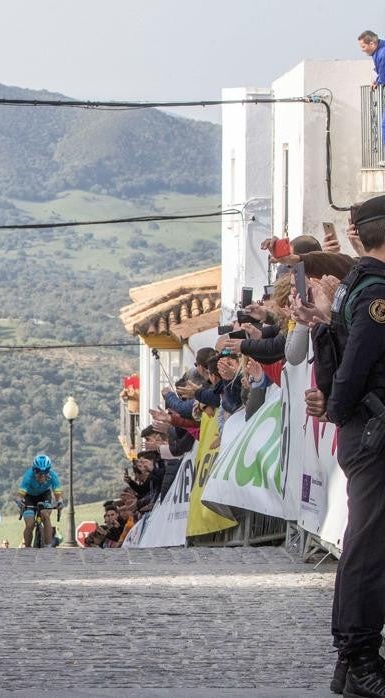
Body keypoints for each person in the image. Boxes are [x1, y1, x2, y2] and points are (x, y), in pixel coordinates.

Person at [303, 194, 385, 696]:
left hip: (364, 429)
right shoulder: (375, 288)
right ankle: (358, 659)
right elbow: (356, 363)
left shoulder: (358, 283)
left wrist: (336, 407)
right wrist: (339, 407)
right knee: (368, 547)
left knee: (367, 542)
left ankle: (351, 660)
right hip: (375, 429)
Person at [16, 454, 63, 548]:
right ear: (34, 470)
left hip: (44, 495)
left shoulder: (53, 476)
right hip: (29, 497)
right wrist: (19, 501)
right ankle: (27, 548)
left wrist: (60, 502)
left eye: (45, 472)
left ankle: (48, 546)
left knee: (45, 515)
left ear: (49, 471)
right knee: (30, 524)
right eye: (38, 472)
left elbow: (58, 494)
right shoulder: (28, 476)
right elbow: (20, 495)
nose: (42, 475)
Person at [362, 31, 385, 166]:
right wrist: (376, 80)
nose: (363, 50)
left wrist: (378, 81)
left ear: (372, 43)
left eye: (364, 47)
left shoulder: (382, 54)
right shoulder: (378, 51)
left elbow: (383, 76)